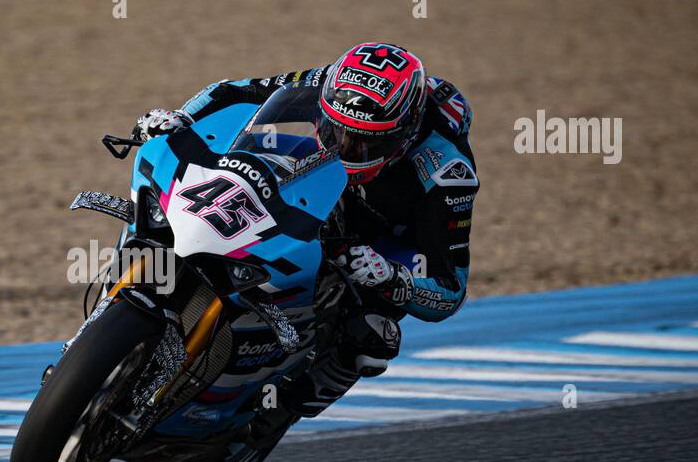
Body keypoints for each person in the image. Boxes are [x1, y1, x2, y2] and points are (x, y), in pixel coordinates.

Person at [132, 42, 479, 418]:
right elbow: (231, 90)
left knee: (373, 335)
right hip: (320, 184)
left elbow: (450, 288)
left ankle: (284, 410)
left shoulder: (446, 176)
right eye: (334, 131)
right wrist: (181, 118)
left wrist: (394, 278)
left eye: (364, 143)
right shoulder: (326, 85)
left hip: (389, 236)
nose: (345, 147)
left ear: (405, 133)